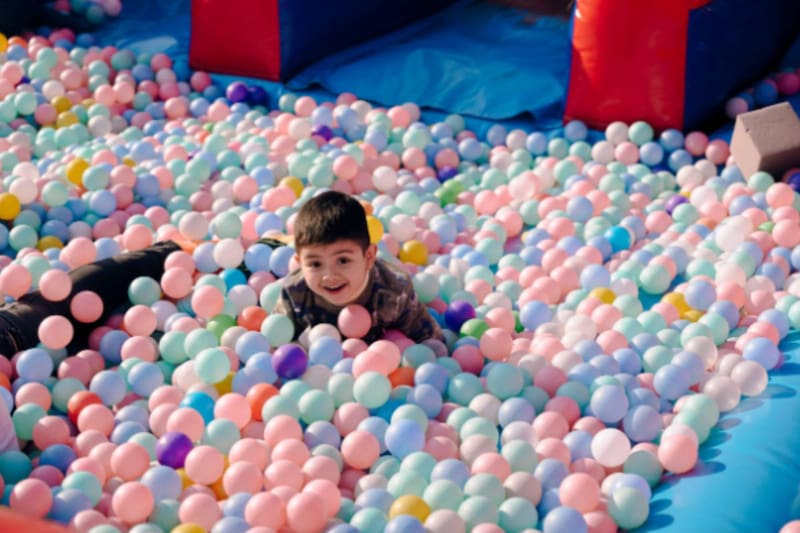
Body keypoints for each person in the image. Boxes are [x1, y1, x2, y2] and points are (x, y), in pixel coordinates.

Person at [273, 190, 443, 344]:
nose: (329, 275)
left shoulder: (395, 291)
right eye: (315, 264)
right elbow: (275, 343)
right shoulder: (294, 292)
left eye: (343, 261)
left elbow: (430, 340)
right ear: (300, 263)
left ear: (369, 257)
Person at [0, 240, 180, 358]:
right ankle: (172, 252)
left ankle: (174, 252)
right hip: (32, 338)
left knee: (113, 278)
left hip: (32, 321)